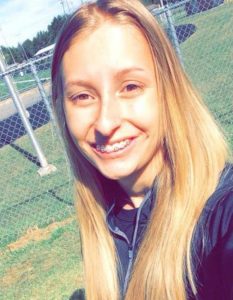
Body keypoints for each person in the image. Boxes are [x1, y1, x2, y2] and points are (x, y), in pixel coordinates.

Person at [51, 0, 233, 299]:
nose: (106, 122)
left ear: (168, 89)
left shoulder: (220, 213)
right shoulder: (103, 221)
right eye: (83, 96)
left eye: (130, 87)